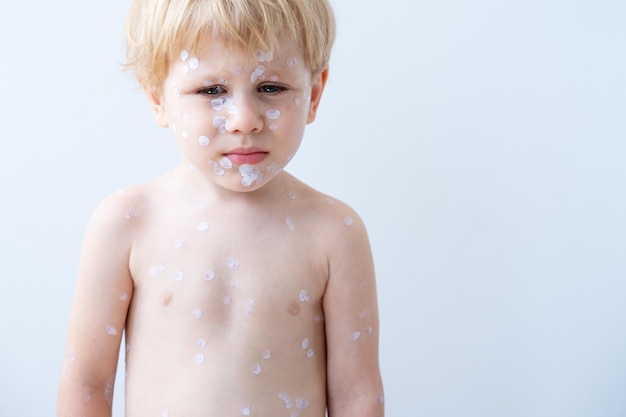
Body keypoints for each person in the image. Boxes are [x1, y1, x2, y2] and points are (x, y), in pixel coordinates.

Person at [57, 0, 384, 416]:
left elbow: (357, 395)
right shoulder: (127, 224)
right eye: (212, 91)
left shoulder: (334, 232)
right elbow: (86, 383)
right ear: (158, 98)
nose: (244, 119)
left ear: (314, 94)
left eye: (271, 88)